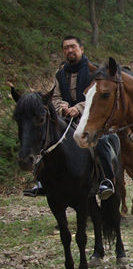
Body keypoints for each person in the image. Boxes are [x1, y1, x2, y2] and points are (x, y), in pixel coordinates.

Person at [24, 36, 115, 199]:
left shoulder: (95, 71)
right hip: (65, 118)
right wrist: (62, 107)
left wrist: (78, 108)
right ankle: (40, 180)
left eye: (73, 47)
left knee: (101, 141)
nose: (69, 50)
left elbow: (97, 96)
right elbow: (56, 96)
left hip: (90, 116)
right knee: (43, 137)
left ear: (81, 49)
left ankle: (105, 180)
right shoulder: (60, 74)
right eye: (66, 48)